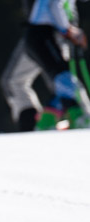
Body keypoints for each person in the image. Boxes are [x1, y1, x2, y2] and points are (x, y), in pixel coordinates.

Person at [24, 0, 90, 130]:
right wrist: (68, 30)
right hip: (41, 34)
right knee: (64, 77)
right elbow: (56, 5)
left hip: (43, 34)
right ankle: (76, 118)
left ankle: (47, 122)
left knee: (63, 80)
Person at [1, 1, 52, 131]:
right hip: (44, 31)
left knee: (13, 82)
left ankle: (32, 129)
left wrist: (65, 26)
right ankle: (33, 127)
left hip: (46, 32)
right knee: (14, 82)